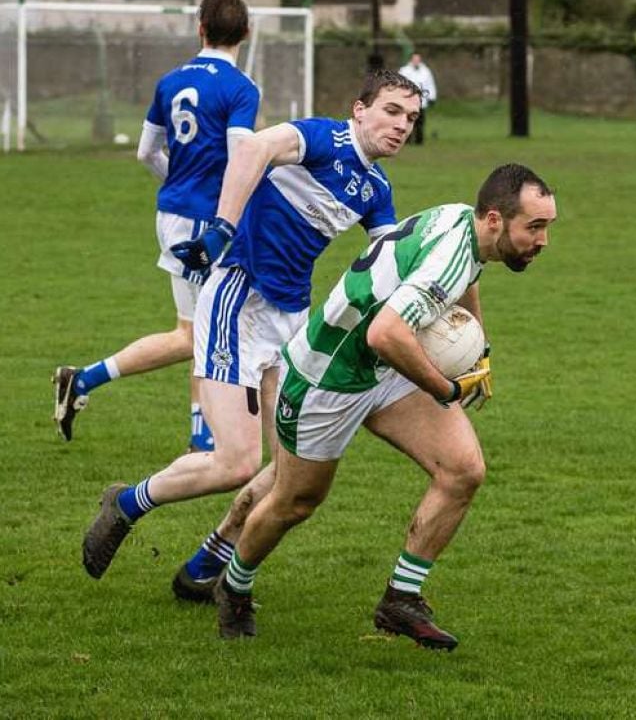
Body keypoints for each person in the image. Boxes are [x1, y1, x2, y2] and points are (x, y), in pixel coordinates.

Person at [81, 69, 423, 584]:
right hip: (239, 300)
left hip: (292, 323)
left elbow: (391, 261)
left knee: (292, 467)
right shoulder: (320, 137)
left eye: (412, 118)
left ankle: (208, 561)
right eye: (392, 111)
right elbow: (249, 151)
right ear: (360, 109)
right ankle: (127, 503)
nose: (402, 125)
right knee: (235, 463)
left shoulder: (376, 188)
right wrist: (222, 228)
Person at [212, 163, 557, 648]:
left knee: (462, 470)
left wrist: (478, 347)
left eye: (547, 226)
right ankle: (233, 585)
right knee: (295, 501)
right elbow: (386, 332)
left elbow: (467, 277)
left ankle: (401, 598)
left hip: (382, 367)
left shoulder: (467, 222)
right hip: (326, 375)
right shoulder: (450, 258)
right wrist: (445, 387)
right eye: (535, 227)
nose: (542, 240)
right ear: (497, 220)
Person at [53, 0, 259, 452]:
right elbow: (242, 154)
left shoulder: (170, 82)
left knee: (196, 332)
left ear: (200, 28)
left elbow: (146, 151)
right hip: (206, 224)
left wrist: (178, 179)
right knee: (205, 331)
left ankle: (85, 382)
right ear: (246, 32)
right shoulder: (240, 89)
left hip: (171, 213)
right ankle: (201, 438)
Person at [399, 52, 436, 145]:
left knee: (420, 121)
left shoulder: (425, 71)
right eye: (414, 59)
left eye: (418, 59)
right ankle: (407, 139)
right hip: (407, 100)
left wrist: (432, 97)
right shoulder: (404, 71)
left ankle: (419, 140)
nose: (416, 61)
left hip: (421, 100)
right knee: (407, 120)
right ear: (411, 60)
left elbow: (430, 84)